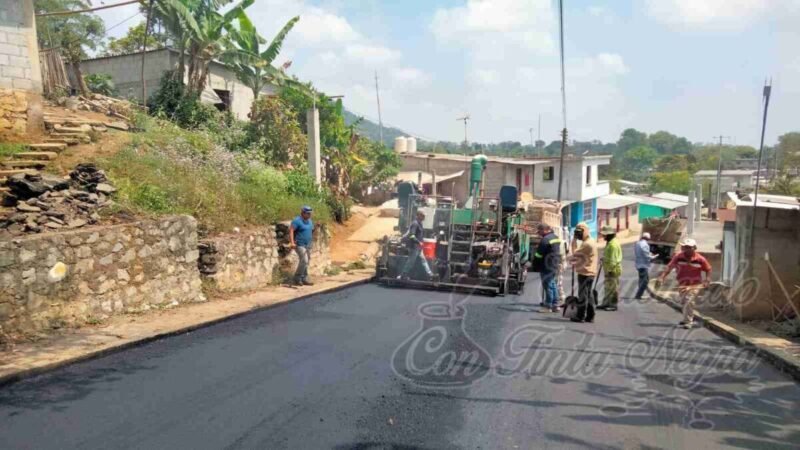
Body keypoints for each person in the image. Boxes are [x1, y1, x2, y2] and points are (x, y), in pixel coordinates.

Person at [657, 238, 712, 329]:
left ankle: (688, 321)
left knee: (689, 300)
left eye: (688, 247)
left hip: (694, 285)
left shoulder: (700, 259)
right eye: (684, 247)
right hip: (682, 284)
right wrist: (662, 277)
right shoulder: (678, 257)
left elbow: (708, 269)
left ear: (694, 248)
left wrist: (707, 279)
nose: (686, 249)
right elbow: (669, 267)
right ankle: (686, 318)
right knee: (684, 301)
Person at [569, 223, 598, 323]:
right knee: (588, 295)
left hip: (585, 273)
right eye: (577, 233)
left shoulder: (587, 244)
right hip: (590, 272)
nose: (578, 235)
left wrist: (573, 240)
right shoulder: (590, 240)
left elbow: (574, 253)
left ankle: (580, 316)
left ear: (585, 231)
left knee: (583, 296)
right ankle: (590, 316)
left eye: (579, 233)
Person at [532, 224, 562, 313]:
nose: (539, 233)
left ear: (544, 230)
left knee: (547, 285)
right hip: (554, 264)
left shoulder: (545, 240)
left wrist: (534, 265)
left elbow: (538, 255)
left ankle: (548, 306)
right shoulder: (555, 237)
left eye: (540, 231)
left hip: (546, 265)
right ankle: (556, 305)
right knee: (552, 284)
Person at [397, 210, 434, 280]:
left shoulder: (420, 224)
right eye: (423, 216)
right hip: (414, 247)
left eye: (424, 216)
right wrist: (418, 242)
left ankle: (430, 275)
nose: (424, 217)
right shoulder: (415, 224)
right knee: (410, 262)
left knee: (423, 260)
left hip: (419, 248)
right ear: (418, 215)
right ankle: (402, 275)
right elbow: (411, 235)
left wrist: (421, 243)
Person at [597, 225, 622, 311]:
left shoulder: (613, 245)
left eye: (605, 235)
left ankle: (613, 305)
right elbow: (609, 256)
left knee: (613, 288)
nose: (603, 236)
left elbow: (613, 260)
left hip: (613, 270)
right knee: (607, 287)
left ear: (609, 235)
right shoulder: (610, 243)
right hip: (608, 269)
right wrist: (604, 259)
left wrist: (610, 270)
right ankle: (606, 303)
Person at [289, 206, 314, 286]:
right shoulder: (297, 221)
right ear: (303, 213)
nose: (310, 215)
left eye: (310, 213)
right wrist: (292, 242)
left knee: (307, 262)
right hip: (299, 244)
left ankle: (304, 278)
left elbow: (311, 230)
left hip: (308, 244)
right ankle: (297, 278)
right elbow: (291, 231)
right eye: (308, 213)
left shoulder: (309, 221)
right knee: (304, 260)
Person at [634, 232, 657, 300]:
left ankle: (639, 294)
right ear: (648, 238)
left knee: (642, 280)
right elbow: (646, 255)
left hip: (638, 264)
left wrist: (649, 253)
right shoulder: (645, 244)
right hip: (643, 265)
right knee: (645, 281)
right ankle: (638, 295)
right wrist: (653, 257)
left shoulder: (637, 243)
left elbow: (642, 252)